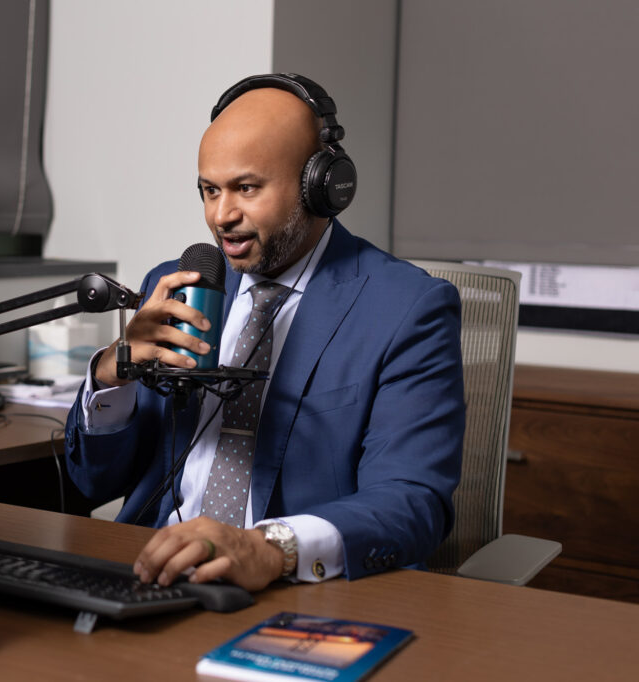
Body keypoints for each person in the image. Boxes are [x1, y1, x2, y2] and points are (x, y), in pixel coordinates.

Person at [64, 73, 465, 592]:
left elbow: (413, 503)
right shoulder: (180, 286)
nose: (221, 216)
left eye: (246, 188)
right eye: (209, 190)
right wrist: (113, 373)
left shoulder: (406, 309)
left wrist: (268, 548)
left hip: (295, 588)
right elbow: (94, 483)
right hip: (152, 574)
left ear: (320, 185)